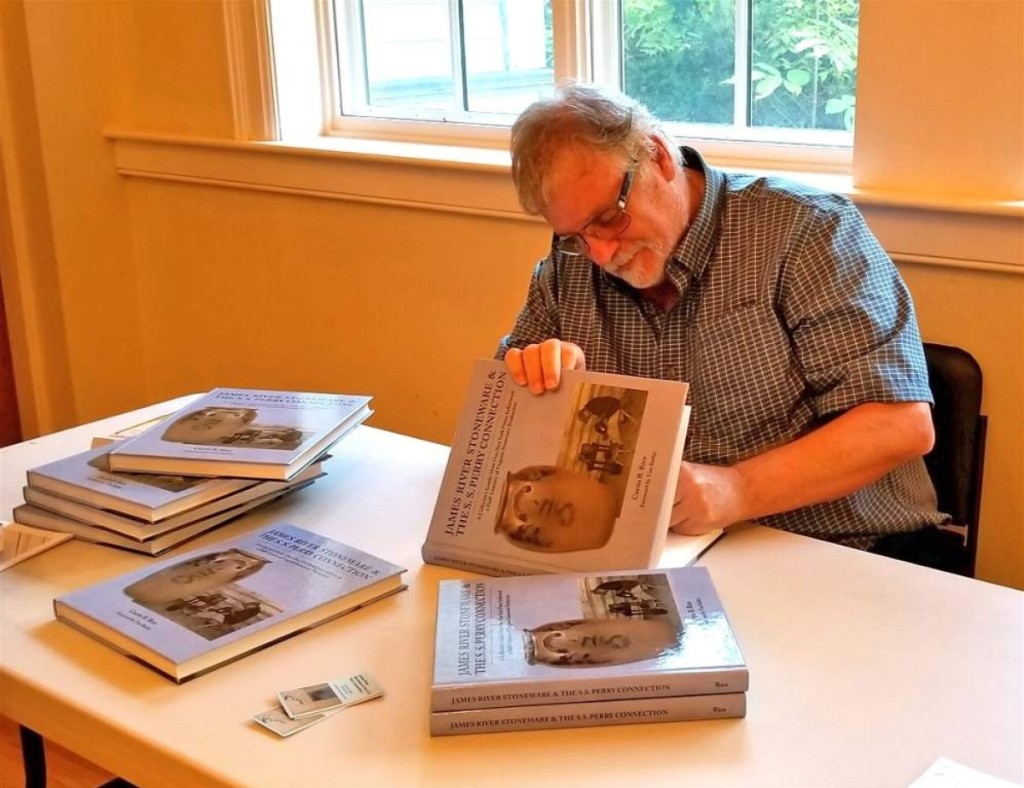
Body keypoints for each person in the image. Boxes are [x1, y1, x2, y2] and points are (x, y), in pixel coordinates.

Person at [497, 81, 955, 562]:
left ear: (657, 157)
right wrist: (538, 383)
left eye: (610, 219)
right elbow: (503, 420)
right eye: (577, 235)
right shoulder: (571, 265)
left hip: (845, 550)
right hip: (667, 556)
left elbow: (900, 425)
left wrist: (738, 489)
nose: (602, 253)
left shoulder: (806, 231)